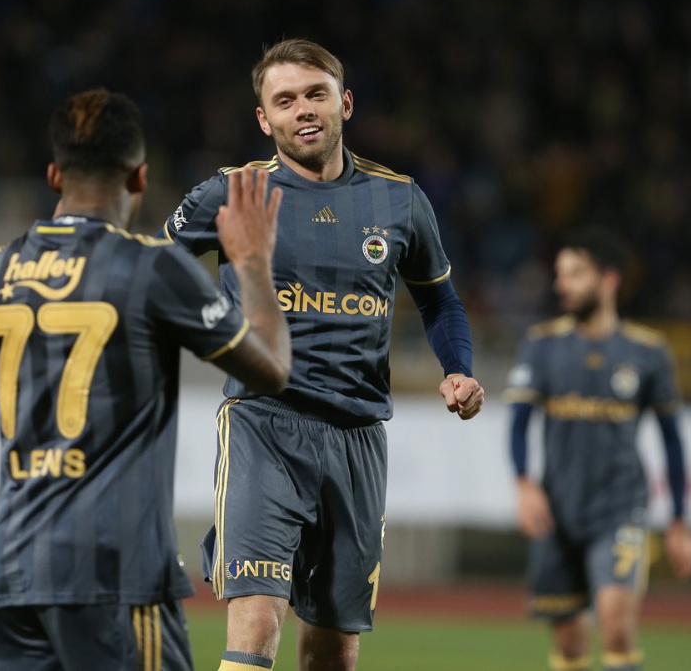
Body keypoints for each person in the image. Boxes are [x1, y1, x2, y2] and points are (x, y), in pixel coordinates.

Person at [158, 38, 485, 671]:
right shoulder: (232, 192)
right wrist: (207, 328)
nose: (303, 109)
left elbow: (440, 302)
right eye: (285, 100)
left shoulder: (399, 200)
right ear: (264, 120)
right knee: (256, 621)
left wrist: (458, 370)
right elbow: (151, 271)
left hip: (358, 437)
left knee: (333, 650)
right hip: (262, 424)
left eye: (316, 94)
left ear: (345, 103)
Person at [0, 88, 291, 671]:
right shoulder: (151, 267)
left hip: (13, 572)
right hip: (115, 572)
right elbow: (272, 369)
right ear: (139, 178)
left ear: (54, 175)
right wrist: (253, 262)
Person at [503, 226, 691, 671]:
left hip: (620, 509)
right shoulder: (542, 344)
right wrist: (523, 485)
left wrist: (679, 521)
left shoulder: (648, 351)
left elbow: (672, 440)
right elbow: (518, 424)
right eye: (560, 274)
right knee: (571, 641)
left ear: (609, 280)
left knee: (615, 624)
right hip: (558, 512)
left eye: (575, 273)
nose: (562, 284)